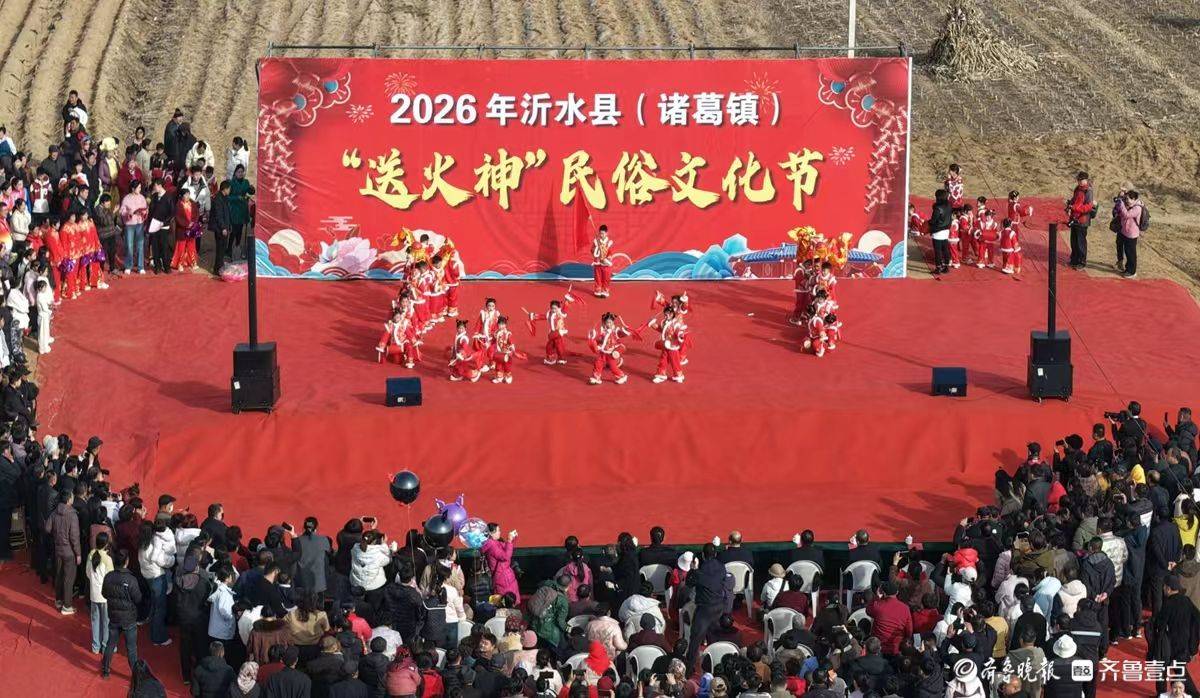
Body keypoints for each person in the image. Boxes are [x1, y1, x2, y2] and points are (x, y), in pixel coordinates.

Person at [1149, 575, 1200, 697]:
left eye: (1164, 587)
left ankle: (1164, 693)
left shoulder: (1168, 603)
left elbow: (1160, 624)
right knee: (1179, 670)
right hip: (1185, 642)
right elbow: (1197, 618)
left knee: (1165, 669)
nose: (1163, 589)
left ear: (1168, 588)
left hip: (1170, 644)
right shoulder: (1187, 601)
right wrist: (1193, 644)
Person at [100, 550, 142, 678]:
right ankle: (136, 676)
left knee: (110, 644)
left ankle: (105, 670)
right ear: (127, 561)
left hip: (113, 616)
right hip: (129, 618)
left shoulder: (108, 577)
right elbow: (138, 598)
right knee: (131, 649)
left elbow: (104, 594)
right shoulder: (131, 579)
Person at [138, 520, 176, 646]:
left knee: (155, 606)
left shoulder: (141, 544)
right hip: (157, 578)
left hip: (148, 577)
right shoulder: (152, 548)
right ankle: (158, 638)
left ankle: (155, 632)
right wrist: (172, 559)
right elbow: (166, 562)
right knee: (160, 609)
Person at [46, 489, 81, 613]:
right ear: (68, 500)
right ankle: (67, 605)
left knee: (59, 575)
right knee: (68, 579)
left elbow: (47, 528)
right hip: (69, 551)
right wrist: (78, 553)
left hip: (58, 549)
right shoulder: (72, 515)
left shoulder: (54, 512)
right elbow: (74, 537)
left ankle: (59, 600)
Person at [85, 530, 114, 653]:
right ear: (106, 544)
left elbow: (88, 573)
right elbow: (111, 578)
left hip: (94, 593)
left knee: (95, 620)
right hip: (105, 596)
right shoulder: (107, 559)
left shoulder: (91, 555)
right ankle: (105, 646)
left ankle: (95, 646)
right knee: (106, 622)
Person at [587, 312, 631, 385]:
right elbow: (599, 340)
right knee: (598, 363)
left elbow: (622, 334)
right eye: (607, 322)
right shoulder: (603, 331)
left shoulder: (615, 331)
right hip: (603, 352)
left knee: (613, 366)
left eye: (610, 322)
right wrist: (593, 337)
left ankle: (621, 376)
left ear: (613, 322)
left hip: (611, 353)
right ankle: (596, 377)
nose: (609, 324)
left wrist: (625, 330)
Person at [293, 516, 332, 596]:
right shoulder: (324, 539)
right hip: (319, 583)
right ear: (316, 527)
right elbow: (329, 552)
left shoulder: (298, 540)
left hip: (302, 581)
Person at [482, 523, 519, 603]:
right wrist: (509, 540)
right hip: (503, 578)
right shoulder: (492, 545)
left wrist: (513, 539)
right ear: (491, 533)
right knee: (506, 601)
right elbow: (505, 556)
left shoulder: (495, 543)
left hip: (505, 576)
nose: (500, 532)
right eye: (498, 531)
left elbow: (508, 548)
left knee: (508, 601)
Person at [648, 305, 687, 383]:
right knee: (663, 361)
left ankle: (678, 375)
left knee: (675, 362)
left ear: (672, 314)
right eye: (666, 314)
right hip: (665, 345)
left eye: (669, 314)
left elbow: (678, 331)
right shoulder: (664, 322)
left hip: (672, 346)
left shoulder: (675, 323)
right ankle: (661, 375)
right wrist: (653, 324)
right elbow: (661, 330)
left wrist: (680, 335)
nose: (667, 315)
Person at [1066, 171, 1096, 269]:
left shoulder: (1088, 191)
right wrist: (1069, 205)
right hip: (1074, 218)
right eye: (1078, 180)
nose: (1079, 182)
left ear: (1086, 180)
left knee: (1081, 242)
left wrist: (1075, 208)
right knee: (1074, 241)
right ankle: (1074, 259)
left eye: (1081, 180)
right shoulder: (1077, 188)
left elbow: (1088, 207)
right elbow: (1074, 199)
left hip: (1083, 220)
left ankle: (1082, 262)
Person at [1113, 189, 1145, 278]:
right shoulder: (1129, 205)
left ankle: (1132, 271)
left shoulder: (1137, 208)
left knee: (1131, 253)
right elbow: (1119, 213)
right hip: (1125, 231)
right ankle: (1128, 269)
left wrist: (1121, 204)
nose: (1127, 201)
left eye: (1128, 199)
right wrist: (1119, 200)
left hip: (1132, 234)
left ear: (1134, 199)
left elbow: (1127, 215)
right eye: (1126, 199)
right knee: (1127, 251)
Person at [227, 164, 255, 261]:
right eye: (239, 172)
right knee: (233, 231)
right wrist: (237, 198)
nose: (241, 173)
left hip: (243, 210)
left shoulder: (246, 182)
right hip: (234, 210)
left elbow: (251, 192)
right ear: (235, 173)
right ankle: (229, 249)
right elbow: (228, 197)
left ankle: (237, 248)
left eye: (242, 172)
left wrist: (252, 189)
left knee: (240, 231)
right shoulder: (231, 183)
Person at [146, 178, 173, 274]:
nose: (154, 188)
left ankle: (167, 266)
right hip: (154, 225)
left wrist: (165, 222)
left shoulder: (169, 197)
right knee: (155, 246)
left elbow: (172, 212)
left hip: (163, 226)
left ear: (160, 186)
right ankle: (157, 266)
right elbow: (150, 212)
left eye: (155, 186)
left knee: (164, 246)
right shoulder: (154, 196)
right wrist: (149, 224)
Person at [208, 179, 232, 274]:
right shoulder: (218, 199)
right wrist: (223, 228)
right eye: (229, 189)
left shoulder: (224, 198)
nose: (230, 190)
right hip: (220, 229)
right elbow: (219, 215)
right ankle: (217, 269)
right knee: (220, 249)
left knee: (222, 248)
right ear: (225, 189)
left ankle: (220, 266)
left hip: (224, 226)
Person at [928, 189, 953, 274]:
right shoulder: (949, 205)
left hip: (938, 231)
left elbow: (933, 220)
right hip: (946, 230)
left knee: (937, 251)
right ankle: (946, 266)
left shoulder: (937, 208)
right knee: (945, 249)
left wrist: (928, 223)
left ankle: (938, 267)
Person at [592, 225, 614, 298]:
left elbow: (611, 252)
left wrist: (607, 257)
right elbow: (592, 250)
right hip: (598, 263)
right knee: (598, 278)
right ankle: (598, 291)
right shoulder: (596, 241)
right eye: (600, 233)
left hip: (606, 263)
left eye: (603, 233)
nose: (601, 235)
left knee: (606, 278)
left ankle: (605, 291)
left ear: (606, 233)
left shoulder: (609, 242)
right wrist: (597, 250)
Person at [34, 278, 52, 354]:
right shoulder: (40, 296)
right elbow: (44, 308)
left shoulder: (41, 295)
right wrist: (50, 311)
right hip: (43, 316)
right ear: (40, 288)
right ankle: (42, 348)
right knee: (42, 333)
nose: (45, 289)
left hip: (43, 316)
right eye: (44, 287)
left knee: (44, 331)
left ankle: (44, 346)